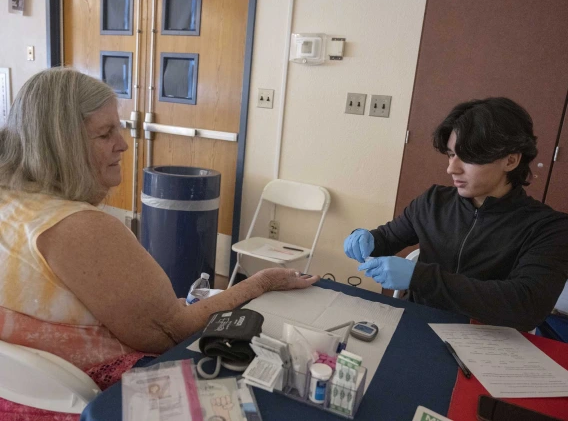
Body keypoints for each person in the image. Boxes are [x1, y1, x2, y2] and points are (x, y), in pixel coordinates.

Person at [0, 68, 319, 414]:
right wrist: (260, 282)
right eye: (106, 133)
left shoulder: (10, 202)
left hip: (18, 396)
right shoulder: (79, 228)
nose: (122, 143)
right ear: (60, 147)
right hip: (98, 402)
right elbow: (170, 333)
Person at [344, 97, 568, 331]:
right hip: (419, 323)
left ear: (510, 160)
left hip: (489, 341)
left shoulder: (548, 228)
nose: (452, 168)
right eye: (451, 154)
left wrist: (420, 277)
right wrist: (365, 238)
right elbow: (388, 238)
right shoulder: (434, 201)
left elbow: (526, 306)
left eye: (468, 157)